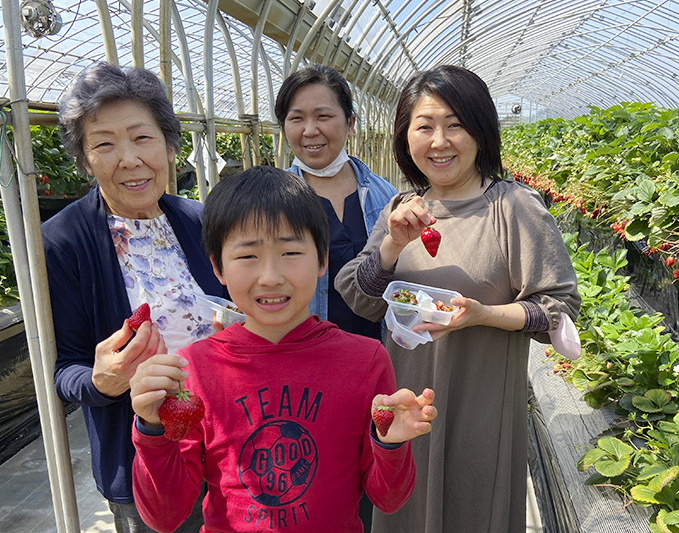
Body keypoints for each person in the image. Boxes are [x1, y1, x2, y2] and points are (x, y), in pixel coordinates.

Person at [334, 65, 581, 532]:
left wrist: (483, 314)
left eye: (455, 124)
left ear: (481, 132)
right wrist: (390, 246)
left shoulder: (513, 207)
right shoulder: (399, 210)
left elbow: (558, 308)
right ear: (406, 137)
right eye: (424, 126)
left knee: (472, 507)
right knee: (402, 507)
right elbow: (361, 298)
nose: (439, 140)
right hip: (404, 400)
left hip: (479, 404)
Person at [127, 166, 438, 533]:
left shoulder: (365, 360)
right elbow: (165, 516)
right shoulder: (193, 370)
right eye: (247, 257)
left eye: (291, 252)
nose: (271, 276)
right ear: (218, 268)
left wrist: (390, 444)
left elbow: (388, 499)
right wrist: (150, 429)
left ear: (322, 260)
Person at [43, 62, 226, 532]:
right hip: (148, 459)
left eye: (142, 137)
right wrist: (102, 380)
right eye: (104, 143)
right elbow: (63, 371)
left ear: (168, 145)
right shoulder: (63, 243)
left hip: (226, 442)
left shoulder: (199, 220)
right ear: (85, 160)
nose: (128, 158)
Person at [275, 64, 398, 530]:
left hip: (371, 365)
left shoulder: (385, 198)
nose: (310, 131)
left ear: (349, 121)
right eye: (295, 117)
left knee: (367, 471)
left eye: (324, 116)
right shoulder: (275, 204)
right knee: (308, 480)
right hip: (300, 373)